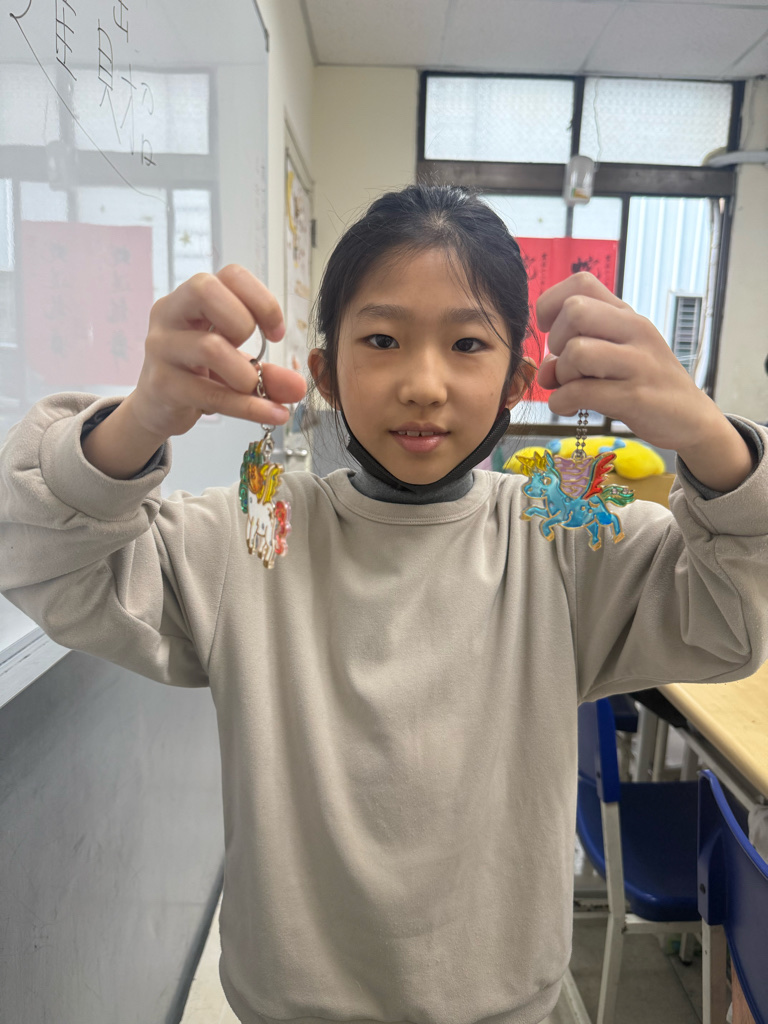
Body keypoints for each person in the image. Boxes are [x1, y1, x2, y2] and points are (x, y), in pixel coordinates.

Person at [1, 183, 767, 1024]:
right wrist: (141, 419)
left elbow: (732, 619)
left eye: (467, 343)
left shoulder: (563, 541)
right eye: (381, 339)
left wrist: (707, 437)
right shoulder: (253, 539)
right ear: (325, 374)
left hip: (507, 1007)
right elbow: (39, 556)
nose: (423, 384)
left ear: (516, 381)